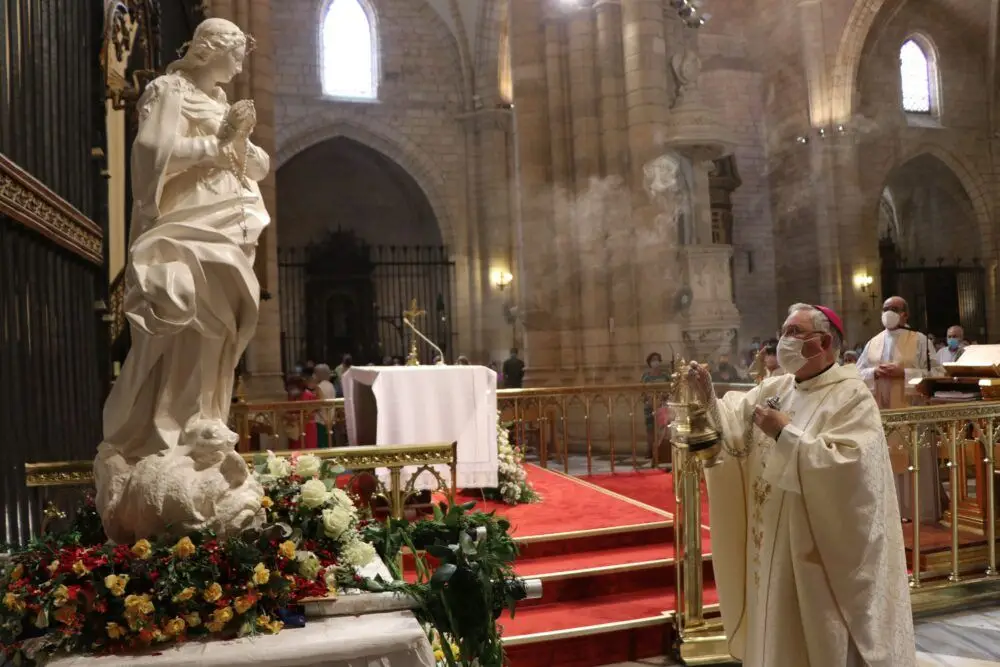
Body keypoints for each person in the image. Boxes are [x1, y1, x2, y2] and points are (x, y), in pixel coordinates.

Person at [688, 303, 915, 667]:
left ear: (823, 342)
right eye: (784, 331)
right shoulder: (776, 387)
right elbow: (733, 427)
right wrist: (707, 399)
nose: (784, 340)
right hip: (769, 541)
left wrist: (784, 433)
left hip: (813, 548)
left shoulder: (851, 396)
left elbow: (851, 469)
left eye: (794, 332)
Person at [855, 296, 942, 523]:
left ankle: (918, 512)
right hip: (882, 413)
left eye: (894, 308)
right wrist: (874, 373)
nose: (888, 312)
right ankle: (890, 514)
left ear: (905, 314)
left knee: (914, 460)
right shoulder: (873, 342)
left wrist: (904, 373)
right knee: (886, 461)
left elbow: (937, 374)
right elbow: (857, 374)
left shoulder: (920, 340)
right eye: (885, 308)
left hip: (912, 414)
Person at [640, 352, 672, 464]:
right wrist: (649, 400)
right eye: (653, 359)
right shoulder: (645, 376)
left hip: (663, 405)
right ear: (649, 362)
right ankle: (650, 451)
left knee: (663, 428)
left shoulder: (666, 375)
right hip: (649, 406)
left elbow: (671, 388)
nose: (656, 362)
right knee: (650, 429)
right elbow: (642, 391)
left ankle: (660, 450)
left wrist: (664, 396)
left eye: (657, 359)